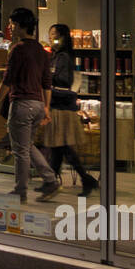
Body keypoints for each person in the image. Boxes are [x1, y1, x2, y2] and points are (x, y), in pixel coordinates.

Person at [0, 8, 57, 203]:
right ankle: (50, 179)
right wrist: (46, 107)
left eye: (12, 24)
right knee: (26, 146)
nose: (10, 28)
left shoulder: (18, 49)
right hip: (37, 104)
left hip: (22, 104)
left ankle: (20, 190)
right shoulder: (40, 50)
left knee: (20, 150)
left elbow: (8, 79)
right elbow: (47, 82)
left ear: (20, 26)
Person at [45, 24, 98, 196]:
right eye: (50, 34)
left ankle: (81, 179)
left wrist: (48, 76)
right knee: (59, 147)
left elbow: (64, 80)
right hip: (58, 105)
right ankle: (52, 181)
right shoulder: (56, 56)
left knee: (62, 147)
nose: (51, 38)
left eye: (54, 35)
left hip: (62, 107)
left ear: (62, 38)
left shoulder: (64, 57)